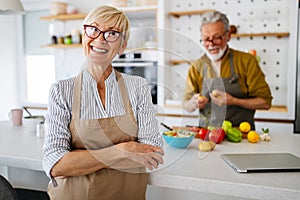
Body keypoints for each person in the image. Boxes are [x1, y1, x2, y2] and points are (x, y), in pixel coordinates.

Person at [42, 5, 164, 200]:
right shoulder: (61, 91)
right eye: (93, 29)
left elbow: (152, 154)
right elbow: (56, 165)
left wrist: (79, 159)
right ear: (84, 35)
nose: (99, 39)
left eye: (112, 33)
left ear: (122, 46)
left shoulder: (138, 87)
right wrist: (123, 150)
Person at [182, 10, 272, 129]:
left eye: (217, 38)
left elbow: (265, 103)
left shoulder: (246, 61)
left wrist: (234, 101)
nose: (211, 44)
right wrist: (192, 104)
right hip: (207, 135)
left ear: (228, 36)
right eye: (206, 39)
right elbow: (186, 104)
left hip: (240, 136)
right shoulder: (196, 67)